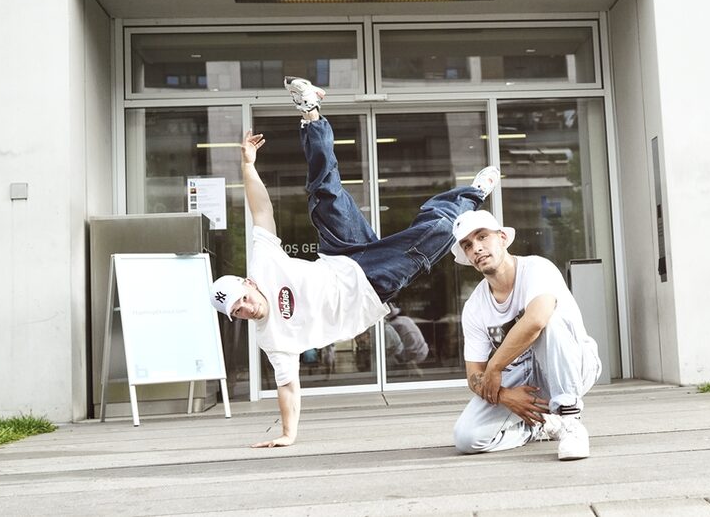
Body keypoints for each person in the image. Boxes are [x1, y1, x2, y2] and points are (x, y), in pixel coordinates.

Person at [209, 76, 499, 448]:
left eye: (242, 299)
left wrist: (248, 165)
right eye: (239, 312)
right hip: (371, 284)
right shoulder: (272, 339)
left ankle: (311, 112)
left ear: (247, 285)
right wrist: (287, 433)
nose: (247, 309)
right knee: (441, 229)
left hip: (338, 254)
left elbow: (261, 209)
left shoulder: (261, 265)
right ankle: (473, 194)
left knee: (323, 191)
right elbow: (288, 387)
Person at [450, 210, 601, 461]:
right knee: (467, 438)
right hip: (522, 380)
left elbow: (536, 320)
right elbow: (474, 374)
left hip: (572, 365)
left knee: (548, 321)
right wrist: (505, 396)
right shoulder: (475, 306)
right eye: (467, 245)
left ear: (502, 238)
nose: (476, 248)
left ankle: (570, 420)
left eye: (482, 237)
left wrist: (495, 366)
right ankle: (536, 426)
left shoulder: (538, 268)